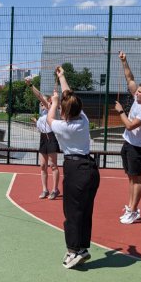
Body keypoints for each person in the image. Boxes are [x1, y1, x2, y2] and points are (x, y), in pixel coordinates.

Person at [47, 66, 100, 269]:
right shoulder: (83, 119)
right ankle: (82, 248)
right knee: (84, 212)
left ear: (64, 110)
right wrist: (62, 77)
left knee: (71, 213)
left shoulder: (63, 127)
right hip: (90, 169)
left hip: (75, 169)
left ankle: (72, 251)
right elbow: (70, 96)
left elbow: (51, 119)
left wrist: (53, 102)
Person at [114, 51, 141, 224]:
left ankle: (135, 210)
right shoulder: (137, 101)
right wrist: (124, 60)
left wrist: (121, 111)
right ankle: (130, 207)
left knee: (136, 179)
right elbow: (129, 78)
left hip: (137, 147)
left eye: (140, 92)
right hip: (128, 144)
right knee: (130, 177)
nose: (136, 93)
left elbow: (130, 125)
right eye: (137, 91)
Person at [26, 77, 60, 200]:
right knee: (42, 166)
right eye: (40, 104)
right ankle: (45, 189)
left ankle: (55, 189)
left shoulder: (52, 110)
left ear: (48, 103)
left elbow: (39, 95)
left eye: (43, 103)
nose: (41, 104)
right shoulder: (42, 116)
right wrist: (36, 121)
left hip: (51, 138)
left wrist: (30, 85)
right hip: (43, 139)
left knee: (53, 165)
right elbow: (41, 127)